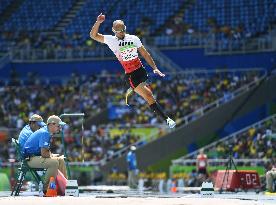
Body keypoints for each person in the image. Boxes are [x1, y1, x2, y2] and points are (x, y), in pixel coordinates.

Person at [90, 13, 176, 128]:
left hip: (141, 70)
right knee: (149, 96)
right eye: (119, 31)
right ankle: (167, 119)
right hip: (131, 75)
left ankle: (134, 90)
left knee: (149, 92)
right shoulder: (111, 40)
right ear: (113, 31)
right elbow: (93, 35)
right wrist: (98, 22)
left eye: (123, 30)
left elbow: (145, 54)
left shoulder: (134, 38)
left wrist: (155, 68)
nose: (121, 32)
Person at [23, 115, 67, 193]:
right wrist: (52, 156)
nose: (60, 128)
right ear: (51, 124)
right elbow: (44, 154)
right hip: (29, 159)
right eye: (58, 126)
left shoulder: (46, 132)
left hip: (35, 157)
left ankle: (65, 187)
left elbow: (44, 152)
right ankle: (46, 189)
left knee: (61, 160)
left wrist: (51, 155)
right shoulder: (45, 133)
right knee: (54, 162)